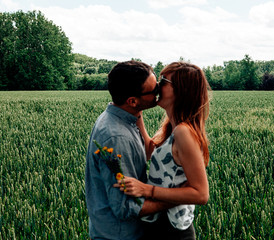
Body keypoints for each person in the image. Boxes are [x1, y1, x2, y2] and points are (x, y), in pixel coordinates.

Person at [114, 61, 210, 239]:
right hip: (160, 225)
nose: (158, 86)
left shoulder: (183, 132)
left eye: (164, 81)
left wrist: (146, 190)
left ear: (181, 91)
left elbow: (201, 194)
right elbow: (150, 151)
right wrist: (137, 109)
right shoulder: (173, 128)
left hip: (172, 230)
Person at [85, 60, 173, 240]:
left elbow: (147, 151)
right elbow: (125, 207)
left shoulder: (123, 117)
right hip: (120, 235)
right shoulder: (117, 138)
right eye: (154, 90)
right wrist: (175, 199)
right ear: (132, 101)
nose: (158, 91)